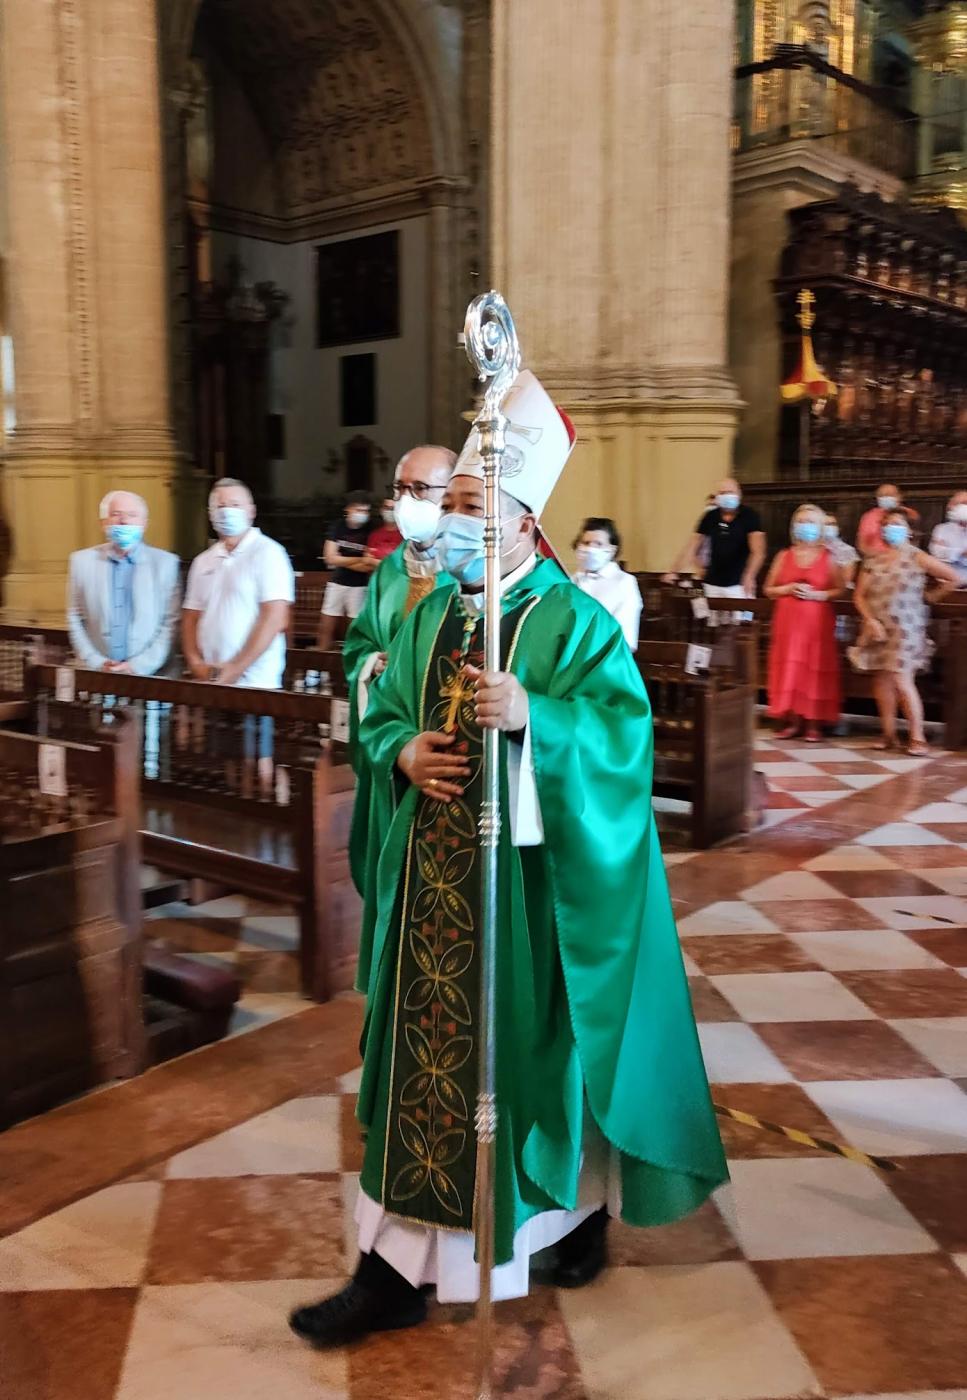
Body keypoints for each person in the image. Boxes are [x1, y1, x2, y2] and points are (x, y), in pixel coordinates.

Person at [290, 369, 726, 1348]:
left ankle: (568, 1216)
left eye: (471, 506)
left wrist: (538, 719)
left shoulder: (570, 622)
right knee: (423, 1070)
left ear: (528, 522)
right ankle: (397, 1266)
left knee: (534, 1062)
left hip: (530, 894)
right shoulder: (432, 612)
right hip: (428, 889)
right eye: (447, 506)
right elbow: (383, 713)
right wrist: (399, 748)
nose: (450, 521)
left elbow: (625, 743)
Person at [342, 444, 458, 999]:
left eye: (420, 489)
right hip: (395, 748)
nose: (404, 501)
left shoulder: (470, 570)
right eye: (399, 488)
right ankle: (397, 986)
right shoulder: (387, 571)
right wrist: (370, 664)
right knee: (397, 884)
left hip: (452, 743)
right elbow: (360, 641)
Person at [848, 508, 961, 755]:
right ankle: (888, 734)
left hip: (906, 627)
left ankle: (917, 737)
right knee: (881, 680)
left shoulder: (917, 556)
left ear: (909, 531)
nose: (891, 528)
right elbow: (859, 596)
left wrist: (931, 597)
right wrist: (869, 620)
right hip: (877, 627)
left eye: (898, 524)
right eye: (887, 524)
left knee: (901, 679)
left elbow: (953, 577)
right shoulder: (872, 559)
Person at [182, 478, 294, 688]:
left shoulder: (269, 553)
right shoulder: (202, 561)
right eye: (220, 506)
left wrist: (236, 668)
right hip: (208, 676)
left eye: (235, 505)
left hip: (256, 681)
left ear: (251, 511)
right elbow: (190, 617)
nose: (227, 511)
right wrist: (196, 663)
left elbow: (275, 618)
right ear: (210, 514)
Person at [67, 490, 180, 675]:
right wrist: (96, 662)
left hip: (150, 676)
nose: (124, 521)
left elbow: (170, 624)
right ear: (103, 523)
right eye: (116, 514)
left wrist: (137, 666)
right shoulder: (81, 562)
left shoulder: (166, 564)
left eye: (132, 515)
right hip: (98, 673)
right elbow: (74, 618)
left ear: (144, 524)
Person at [763, 503, 844, 742]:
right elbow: (768, 589)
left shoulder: (828, 557)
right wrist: (787, 588)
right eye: (801, 521)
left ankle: (814, 723)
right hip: (787, 622)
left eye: (810, 522)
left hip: (816, 624)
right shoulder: (784, 555)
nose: (805, 526)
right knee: (791, 667)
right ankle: (793, 720)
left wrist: (820, 595)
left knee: (814, 667)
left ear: (819, 527)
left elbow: (839, 589)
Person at [663, 478, 766, 604]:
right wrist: (674, 571)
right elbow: (692, 545)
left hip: (740, 584)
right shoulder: (710, 517)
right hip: (713, 583)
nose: (727, 496)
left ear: (739, 494)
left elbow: (758, 552)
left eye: (730, 492)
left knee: (740, 621)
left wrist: (750, 576)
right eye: (722, 493)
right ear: (717, 496)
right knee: (713, 622)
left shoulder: (750, 515)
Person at [317, 491, 376, 649]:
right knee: (326, 627)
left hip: (360, 587)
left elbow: (369, 564)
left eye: (365, 511)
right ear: (348, 509)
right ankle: (319, 668)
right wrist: (359, 560)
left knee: (355, 631)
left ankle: (351, 668)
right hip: (337, 583)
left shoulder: (371, 529)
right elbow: (329, 557)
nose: (362, 514)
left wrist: (341, 560)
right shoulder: (338, 526)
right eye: (358, 510)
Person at [572, 516, 642, 647]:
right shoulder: (573, 580)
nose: (590, 549)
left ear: (611, 550)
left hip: (605, 656)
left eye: (598, 544)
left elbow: (625, 637)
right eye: (586, 543)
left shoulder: (624, 582)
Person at [855, 482, 919, 557]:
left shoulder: (910, 514)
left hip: (903, 557)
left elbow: (915, 540)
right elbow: (862, 545)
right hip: (875, 559)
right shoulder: (868, 517)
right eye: (882, 495)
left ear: (899, 497)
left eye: (890, 495)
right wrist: (875, 556)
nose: (886, 498)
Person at [929, 490, 967, 584]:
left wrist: (950, 551)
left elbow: (945, 552)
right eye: (957, 504)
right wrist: (962, 552)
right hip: (947, 581)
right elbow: (937, 552)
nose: (962, 507)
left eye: (965, 503)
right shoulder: (941, 529)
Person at [366, 492, 404, 562]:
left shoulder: (406, 535)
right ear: (381, 510)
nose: (389, 511)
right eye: (386, 507)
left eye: (393, 508)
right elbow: (368, 561)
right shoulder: (374, 535)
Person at [823, 513, 859, 585]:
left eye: (832, 524)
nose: (829, 527)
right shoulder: (812, 548)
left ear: (838, 528)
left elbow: (846, 580)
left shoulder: (848, 550)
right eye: (825, 524)